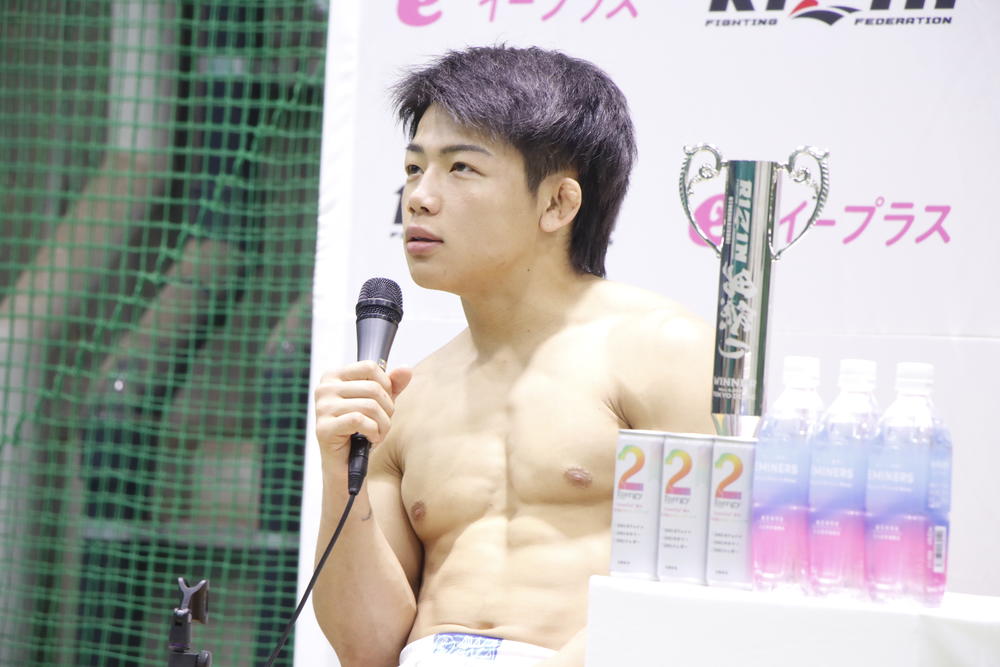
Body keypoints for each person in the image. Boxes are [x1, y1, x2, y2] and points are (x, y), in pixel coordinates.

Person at [312, 45, 714, 667]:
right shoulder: (405, 396)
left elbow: (701, 583)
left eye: (460, 168)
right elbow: (366, 648)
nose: (417, 197)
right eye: (414, 168)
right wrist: (341, 474)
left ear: (558, 203)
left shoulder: (665, 352)